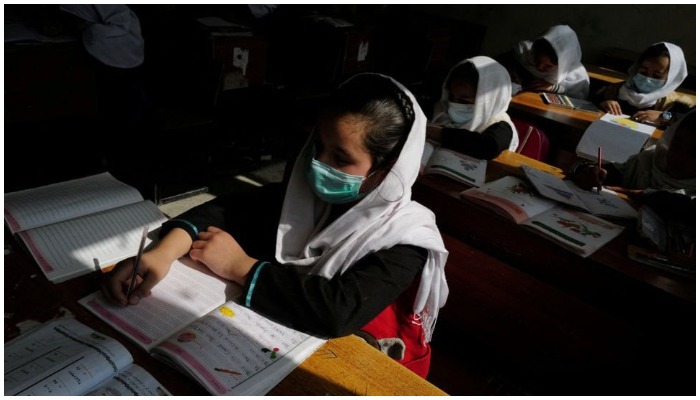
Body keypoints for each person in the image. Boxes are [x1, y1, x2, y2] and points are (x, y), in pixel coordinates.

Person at [101, 73, 449, 378]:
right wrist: (162, 253)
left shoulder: (408, 239)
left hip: (362, 362)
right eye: (318, 146)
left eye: (341, 158)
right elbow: (226, 209)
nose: (318, 163)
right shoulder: (307, 197)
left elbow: (336, 312)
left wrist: (240, 267)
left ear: (387, 171)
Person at [569, 110, 695, 204]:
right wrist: (590, 171)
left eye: (694, 153)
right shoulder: (651, 160)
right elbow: (618, 171)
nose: (678, 157)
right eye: (676, 145)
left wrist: (646, 196)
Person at [427, 56, 519, 160]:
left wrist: (437, 133)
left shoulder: (500, 125)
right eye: (451, 97)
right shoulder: (441, 109)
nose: (454, 104)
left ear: (489, 101)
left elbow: (488, 147)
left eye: (464, 101)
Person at [596, 42, 693, 125]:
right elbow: (592, 103)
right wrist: (603, 103)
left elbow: (686, 122)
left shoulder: (674, 103)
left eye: (656, 76)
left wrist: (663, 117)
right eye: (643, 72)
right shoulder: (614, 90)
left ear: (672, 78)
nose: (647, 79)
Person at [501, 25, 589, 99]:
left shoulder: (576, 76)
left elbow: (579, 100)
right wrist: (510, 72)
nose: (539, 67)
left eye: (548, 66)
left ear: (563, 64)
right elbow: (502, 63)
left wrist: (556, 89)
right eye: (537, 60)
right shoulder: (524, 54)